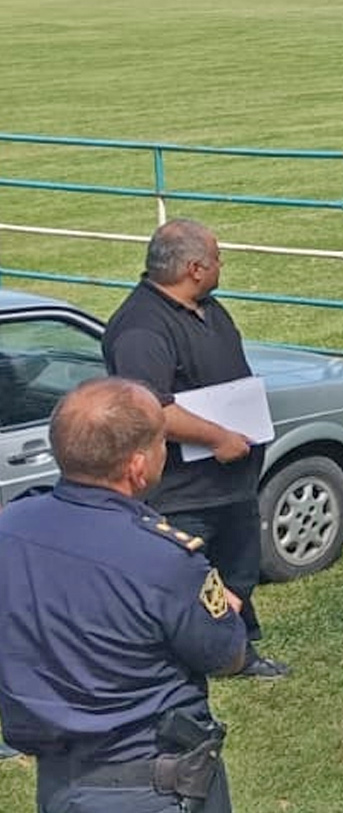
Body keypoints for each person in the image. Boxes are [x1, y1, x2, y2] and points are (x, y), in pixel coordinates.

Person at [0, 378, 248, 812]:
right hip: (154, 787)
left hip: (60, 786)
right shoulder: (166, 560)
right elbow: (227, 655)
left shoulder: (10, 526)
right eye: (161, 442)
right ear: (137, 466)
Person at [102, 218, 287, 679]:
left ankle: (238, 653)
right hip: (186, 493)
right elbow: (151, 409)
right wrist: (219, 437)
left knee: (237, 573)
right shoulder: (141, 329)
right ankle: (181, 666)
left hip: (232, 482)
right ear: (195, 267)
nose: (222, 263)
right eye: (218, 257)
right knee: (186, 584)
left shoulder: (208, 308)